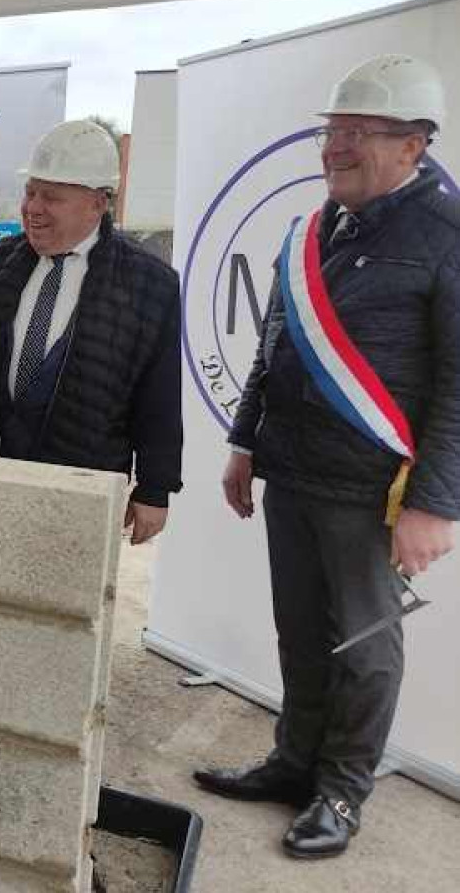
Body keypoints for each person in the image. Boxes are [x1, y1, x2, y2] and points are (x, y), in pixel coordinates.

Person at [196, 54, 459, 859]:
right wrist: (244, 439)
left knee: (364, 648)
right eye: (330, 131)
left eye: (356, 133)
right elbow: (275, 345)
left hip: (375, 492)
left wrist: (434, 503)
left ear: (414, 143)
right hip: (293, 472)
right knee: (300, 631)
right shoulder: (311, 230)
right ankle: (291, 762)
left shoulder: (446, 237)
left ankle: (341, 793)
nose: (333, 148)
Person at [0, 120, 182, 541]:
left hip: (80, 493)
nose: (32, 207)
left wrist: (155, 487)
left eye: (51, 197)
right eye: (30, 192)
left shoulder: (150, 285)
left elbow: (159, 395)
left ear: (98, 202)